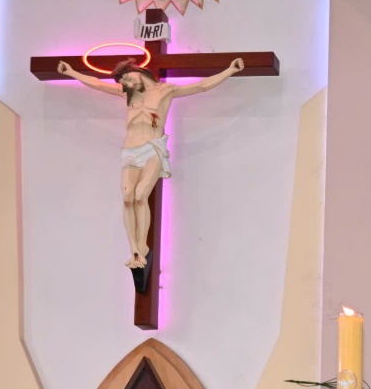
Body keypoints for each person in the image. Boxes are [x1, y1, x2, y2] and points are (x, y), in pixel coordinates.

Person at [54, 56, 244, 279]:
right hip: (130, 150)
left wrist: (230, 70)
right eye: (123, 82)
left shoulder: (166, 90)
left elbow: (202, 85)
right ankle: (135, 249)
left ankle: (143, 246)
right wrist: (72, 72)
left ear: (139, 72)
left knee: (140, 195)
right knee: (127, 197)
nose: (125, 84)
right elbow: (97, 84)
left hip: (152, 148)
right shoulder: (127, 93)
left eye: (127, 78)